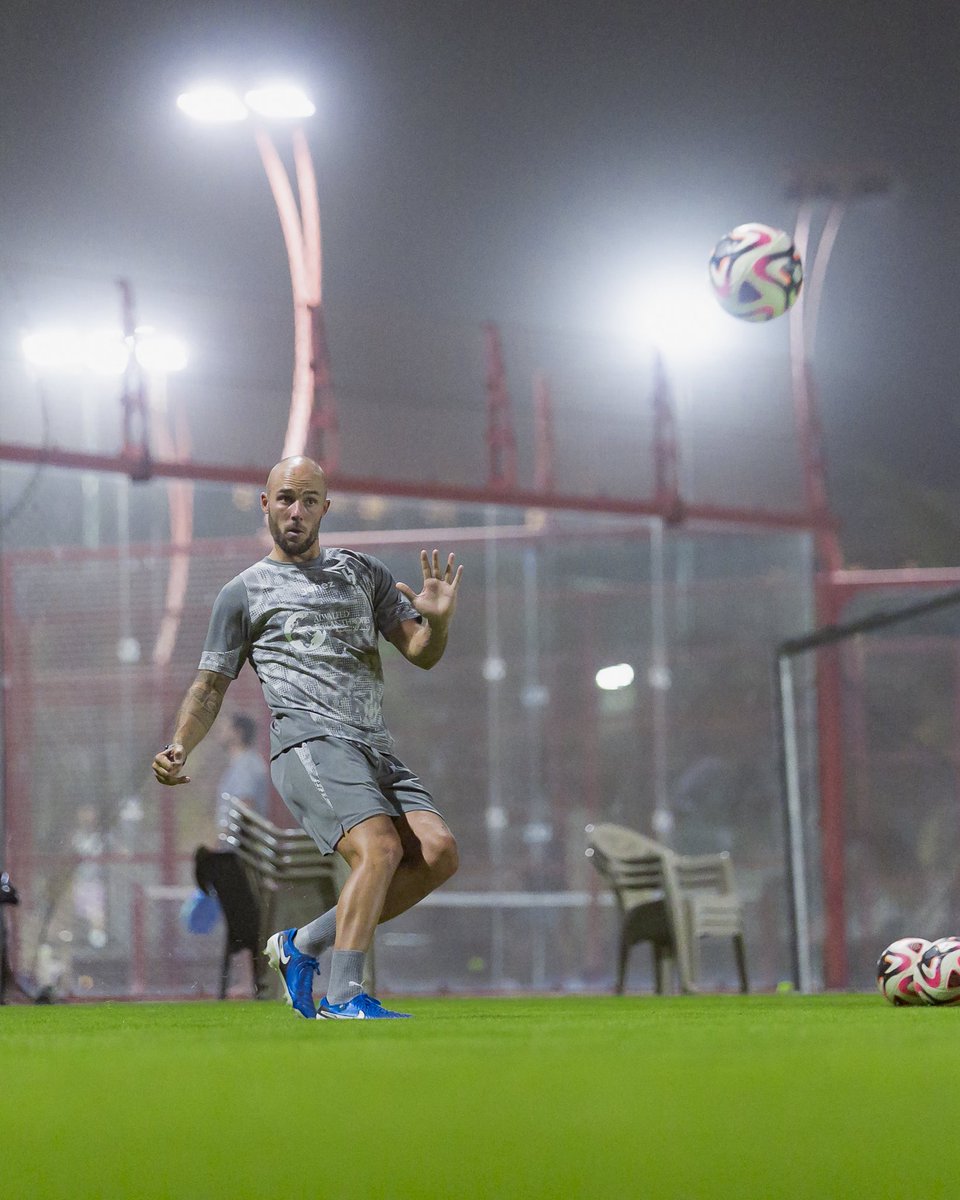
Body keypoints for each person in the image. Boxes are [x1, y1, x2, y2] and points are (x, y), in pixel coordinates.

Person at [152, 455, 462, 1020]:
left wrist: (437, 623)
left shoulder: (362, 573)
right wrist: (180, 745)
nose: (296, 511)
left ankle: (301, 945)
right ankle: (343, 995)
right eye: (286, 498)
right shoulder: (242, 593)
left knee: (438, 854)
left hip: (375, 749)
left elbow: (420, 653)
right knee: (381, 849)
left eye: (309, 500)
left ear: (325, 508)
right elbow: (209, 686)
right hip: (310, 746)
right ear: (265, 503)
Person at [216, 712, 270, 829]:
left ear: (238, 733)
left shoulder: (246, 765)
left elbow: (246, 805)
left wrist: (227, 836)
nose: (220, 733)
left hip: (242, 843)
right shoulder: (240, 764)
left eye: (225, 728)